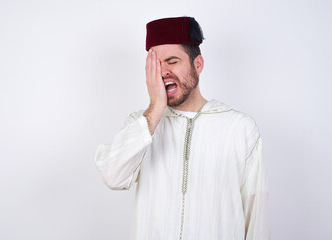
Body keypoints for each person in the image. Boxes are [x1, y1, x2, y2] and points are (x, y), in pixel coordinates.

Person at [94, 16, 269, 240]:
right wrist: (156, 108)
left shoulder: (239, 128)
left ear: (198, 64)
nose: (163, 71)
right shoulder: (141, 124)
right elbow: (113, 177)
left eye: (172, 61)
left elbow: (256, 215)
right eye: (156, 63)